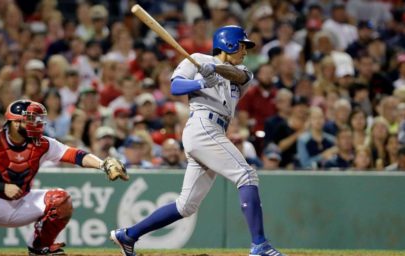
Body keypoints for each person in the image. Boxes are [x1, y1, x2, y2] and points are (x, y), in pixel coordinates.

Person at [110, 25, 285, 256]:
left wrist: (213, 69)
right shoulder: (195, 59)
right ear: (229, 44)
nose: (245, 51)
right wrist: (201, 81)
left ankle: (128, 235)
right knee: (247, 175)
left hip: (215, 130)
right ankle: (259, 245)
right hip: (202, 126)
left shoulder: (241, 71)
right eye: (242, 46)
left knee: (186, 205)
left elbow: (240, 76)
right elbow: (175, 86)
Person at [0, 100, 128, 255]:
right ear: (15, 123)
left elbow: (74, 154)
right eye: (30, 118)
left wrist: (103, 165)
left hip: (20, 202)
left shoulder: (41, 144)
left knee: (60, 200)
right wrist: (1, 186)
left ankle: (39, 247)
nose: (36, 122)